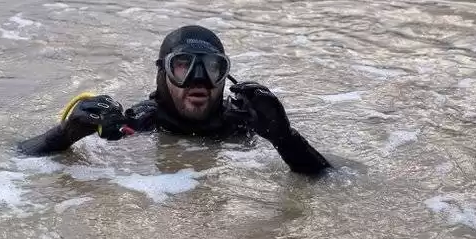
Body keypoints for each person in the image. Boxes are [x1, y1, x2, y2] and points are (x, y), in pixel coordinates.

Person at [17, 25, 332, 175]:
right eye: (183, 65)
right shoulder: (139, 124)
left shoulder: (248, 124)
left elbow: (333, 181)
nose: (198, 79)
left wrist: (285, 139)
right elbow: (17, 158)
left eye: (211, 67)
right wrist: (67, 133)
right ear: (162, 75)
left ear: (225, 77)